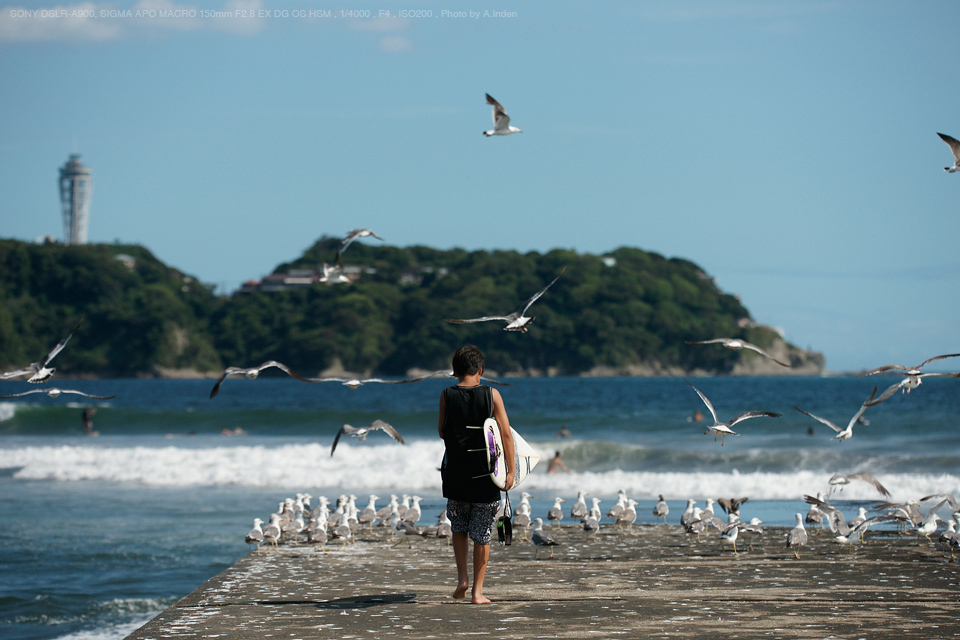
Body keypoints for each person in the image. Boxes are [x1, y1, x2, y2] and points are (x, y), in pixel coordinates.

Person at [438, 345, 515, 605]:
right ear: (480, 370)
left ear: (455, 372)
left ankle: (462, 580)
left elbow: (441, 431)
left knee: (459, 526)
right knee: (482, 532)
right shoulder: (492, 395)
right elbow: (505, 434)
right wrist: (512, 471)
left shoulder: (446, 395)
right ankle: (477, 592)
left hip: (456, 474)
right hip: (486, 474)